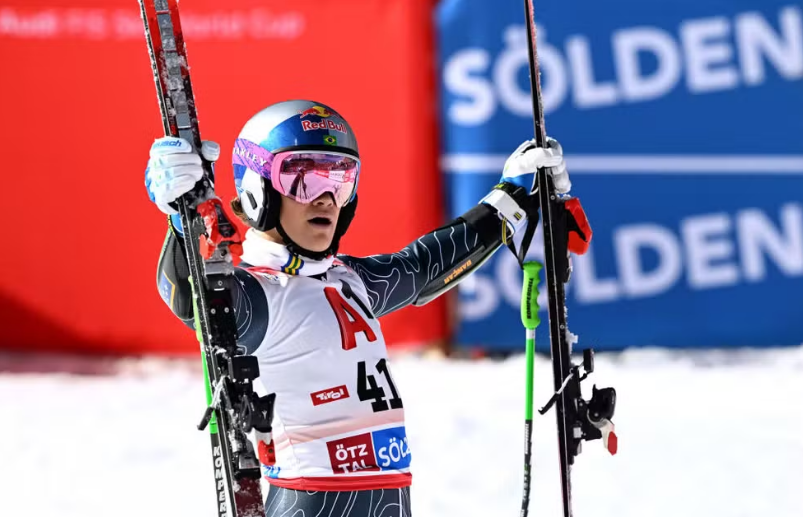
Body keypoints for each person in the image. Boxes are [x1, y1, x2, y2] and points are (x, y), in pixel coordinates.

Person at [145, 100, 571, 516]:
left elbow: (424, 267)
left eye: (340, 179)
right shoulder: (258, 293)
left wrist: (512, 198)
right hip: (306, 500)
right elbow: (193, 300)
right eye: (303, 179)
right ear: (259, 190)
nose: (326, 198)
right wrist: (183, 221)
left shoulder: (350, 280)